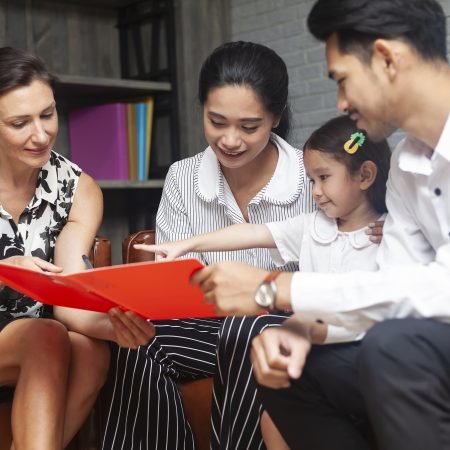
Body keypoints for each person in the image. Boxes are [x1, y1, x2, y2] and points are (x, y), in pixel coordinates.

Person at [190, 1, 450, 449]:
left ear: (387, 59)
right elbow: (392, 289)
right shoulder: (406, 170)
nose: (340, 103)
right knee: (286, 371)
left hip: (419, 345)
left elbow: (438, 292)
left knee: (394, 345)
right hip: (426, 346)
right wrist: (295, 330)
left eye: (342, 80)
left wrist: (273, 289)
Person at [100, 40, 318, 450]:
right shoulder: (184, 178)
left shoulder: (312, 179)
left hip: (286, 327)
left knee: (244, 326)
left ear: (276, 117)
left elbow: (326, 283)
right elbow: (172, 285)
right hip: (202, 325)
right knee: (142, 339)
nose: (230, 139)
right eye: (216, 121)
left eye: (248, 126)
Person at [137, 114, 391, 449]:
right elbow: (253, 233)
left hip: (352, 351)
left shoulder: (391, 234)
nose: (315, 192)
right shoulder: (313, 226)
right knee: (271, 422)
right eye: (312, 180)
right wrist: (189, 243)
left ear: (366, 176)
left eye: (324, 178)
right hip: (308, 344)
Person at [0, 46, 154, 450]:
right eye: (19, 123)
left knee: (89, 350)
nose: (41, 134)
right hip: (32, 339)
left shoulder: (75, 187)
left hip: (37, 336)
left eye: (47, 114)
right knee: (45, 337)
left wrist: (119, 328)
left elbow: (69, 289)